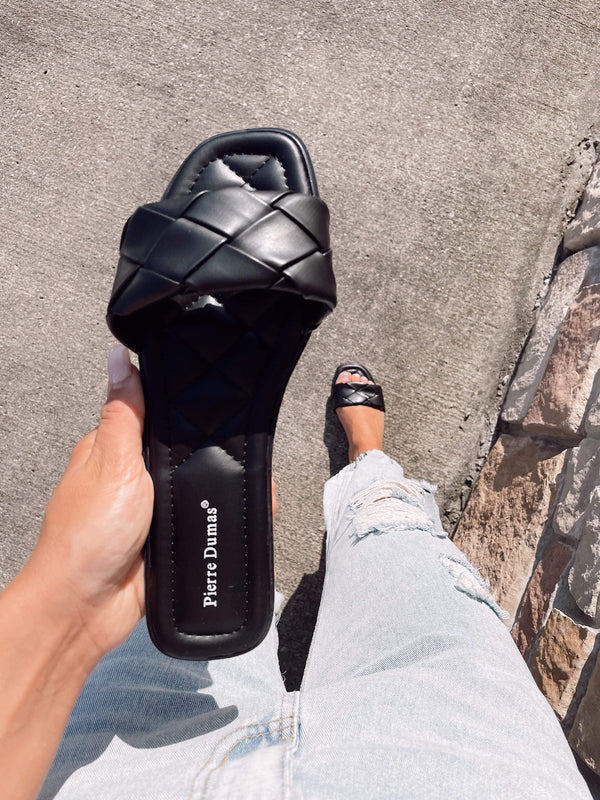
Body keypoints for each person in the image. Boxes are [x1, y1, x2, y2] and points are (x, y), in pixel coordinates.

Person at [0, 344, 593, 800]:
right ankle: (367, 462)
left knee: (168, 601)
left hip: (120, 780)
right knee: (397, 546)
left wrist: (72, 603)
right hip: (460, 768)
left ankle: (274, 524)